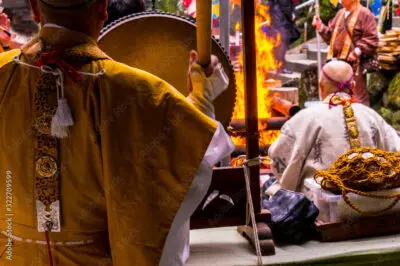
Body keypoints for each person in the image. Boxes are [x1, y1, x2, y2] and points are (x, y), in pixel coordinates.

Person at [0, 1, 234, 266]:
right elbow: (182, 176)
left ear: (34, 8)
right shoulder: (136, 92)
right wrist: (202, 101)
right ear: (102, 8)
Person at [266, 60, 400, 196]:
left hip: (317, 205)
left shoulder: (304, 118)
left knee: (269, 187)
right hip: (372, 201)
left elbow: (279, 155)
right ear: (353, 85)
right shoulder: (371, 116)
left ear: (320, 85)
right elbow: (396, 151)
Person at [312, 0, 379, 106]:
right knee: (335, 98)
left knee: (356, 99)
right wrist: (320, 27)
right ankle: (339, 121)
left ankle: (359, 121)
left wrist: (356, 52)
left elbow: (372, 39)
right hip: (336, 66)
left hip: (355, 67)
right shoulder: (340, 13)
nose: (340, 0)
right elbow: (331, 37)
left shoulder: (365, 13)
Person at [269, 0, 299, 74]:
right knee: (282, 44)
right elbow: (285, 4)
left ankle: (280, 66)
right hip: (281, 19)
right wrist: (291, 14)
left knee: (281, 44)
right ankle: (281, 67)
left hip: (278, 17)